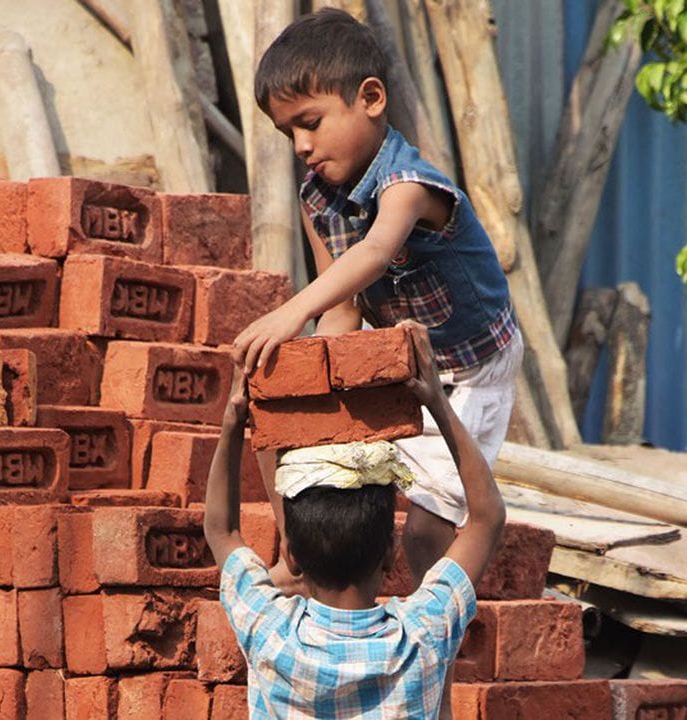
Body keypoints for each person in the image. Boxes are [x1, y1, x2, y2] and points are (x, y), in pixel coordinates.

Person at [231, 7, 522, 582]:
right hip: (398, 358)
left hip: (470, 371)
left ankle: (431, 653)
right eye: (288, 131)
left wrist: (292, 311)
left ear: (370, 98)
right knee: (301, 445)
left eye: (311, 122)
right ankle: (300, 569)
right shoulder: (317, 197)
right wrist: (315, 395)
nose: (300, 145)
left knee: (424, 533)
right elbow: (341, 312)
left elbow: (372, 254)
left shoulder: (408, 186)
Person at [204, 323, 506, 719]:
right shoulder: (421, 635)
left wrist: (232, 420)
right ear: (390, 553)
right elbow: (486, 518)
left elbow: (221, 530)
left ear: (291, 556)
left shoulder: (270, 632)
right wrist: (437, 402)